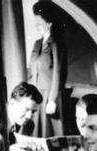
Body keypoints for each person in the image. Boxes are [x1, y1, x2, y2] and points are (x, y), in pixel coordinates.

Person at [28, 0, 68, 137]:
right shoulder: (37, 44)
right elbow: (31, 71)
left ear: (49, 23)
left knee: (49, 133)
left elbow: (58, 73)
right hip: (36, 94)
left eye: (39, 23)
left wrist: (52, 99)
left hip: (49, 95)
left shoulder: (57, 43)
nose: (36, 27)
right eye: (35, 24)